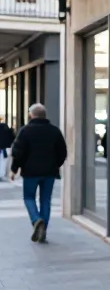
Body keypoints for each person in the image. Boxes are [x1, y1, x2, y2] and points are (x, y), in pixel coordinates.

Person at [10, 104, 68, 243]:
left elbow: (18, 152)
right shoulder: (54, 131)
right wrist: (55, 165)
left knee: (29, 197)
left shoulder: (25, 131)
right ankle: (43, 230)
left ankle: (36, 220)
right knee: (45, 200)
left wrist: (14, 169)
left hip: (30, 173)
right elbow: (62, 152)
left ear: (31, 115)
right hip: (49, 172)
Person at [0, 117, 15, 181]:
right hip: (4, 148)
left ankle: (2, 174)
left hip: (4, 148)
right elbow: (12, 137)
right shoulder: (5, 128)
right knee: (3, 162)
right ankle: (1, 174)